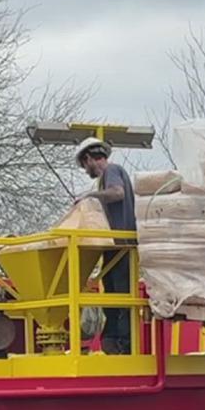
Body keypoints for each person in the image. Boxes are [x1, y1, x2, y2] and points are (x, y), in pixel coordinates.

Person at [74, 137, 135, 355]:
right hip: (115, 247)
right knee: (113, 296)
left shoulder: (112, 171)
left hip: (122, 247)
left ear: (89, 158)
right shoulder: (107, 178)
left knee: (120, 298)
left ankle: (122, 343)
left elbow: (117, 193)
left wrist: (89, 196)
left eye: (84, 165)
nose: (85, 170)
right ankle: (113, 340)